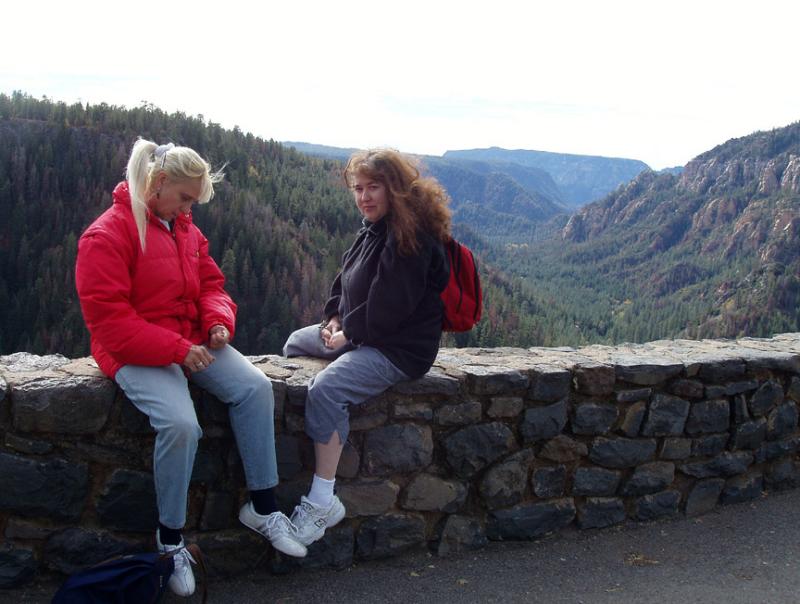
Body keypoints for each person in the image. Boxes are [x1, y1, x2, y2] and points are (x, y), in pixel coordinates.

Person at [75, 138, 306, 598]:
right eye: (185, 197)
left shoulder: (183, 228)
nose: (189, 208)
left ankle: (262, 505)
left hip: (190, 338)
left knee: (256, 388)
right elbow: (111, 324)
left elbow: (210, 284)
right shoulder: (106, 235)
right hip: (135, 349)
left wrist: (218, 321)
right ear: (158, 183)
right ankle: (171, 539)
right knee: (181, 425)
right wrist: (177, 349)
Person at [282, 148, 452, 546]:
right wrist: (334, 320)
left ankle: (323, 500)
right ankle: (327, 433)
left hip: (398, 349)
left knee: (325, 389)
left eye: (373, 187)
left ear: (394, 187)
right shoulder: (375, 228)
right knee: (296, 343)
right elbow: (345, 282)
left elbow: (389, 305)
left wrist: (350, 336)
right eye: (358, 188)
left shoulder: (411, 236)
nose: (364, 196)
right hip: (360, 333)